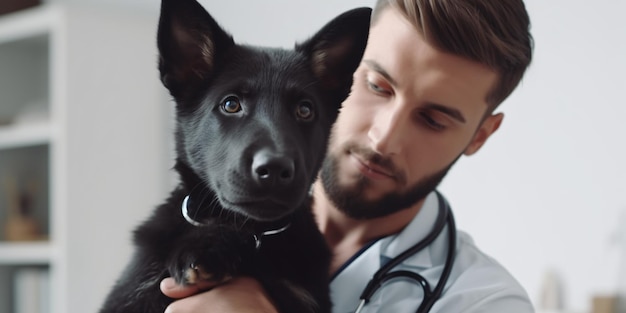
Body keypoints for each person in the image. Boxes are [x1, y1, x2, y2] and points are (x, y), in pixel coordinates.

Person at [159, 0, 534, 312]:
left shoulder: (488, 301)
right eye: (377, 86)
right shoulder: (195, 231)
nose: (383, 138)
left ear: (480, 136)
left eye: (432, 120)